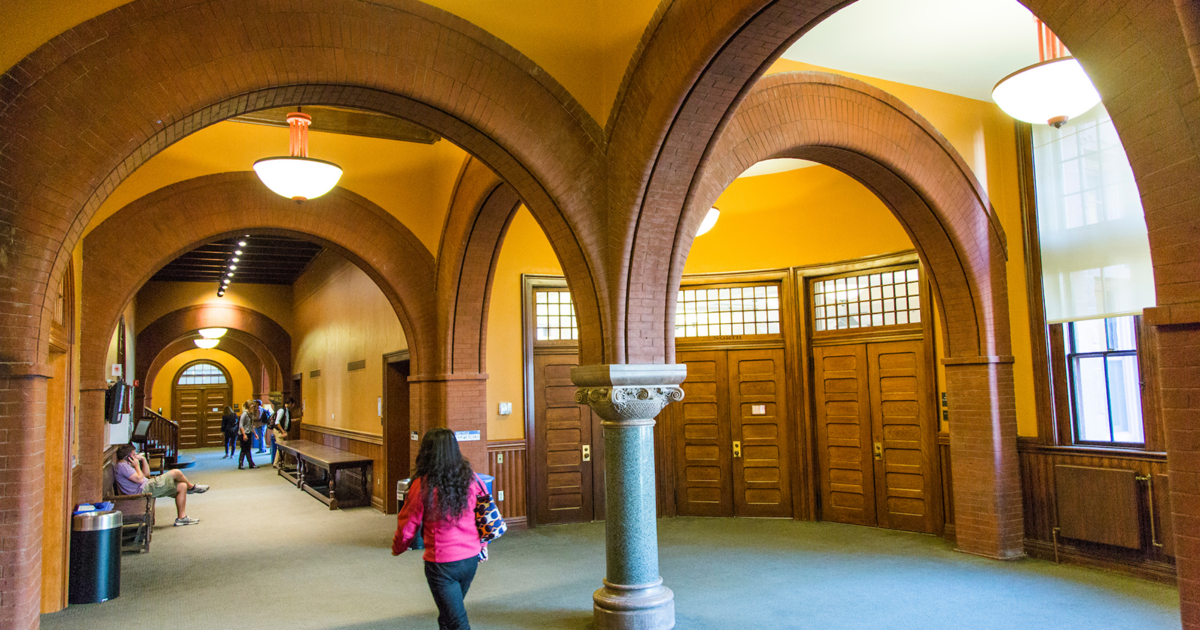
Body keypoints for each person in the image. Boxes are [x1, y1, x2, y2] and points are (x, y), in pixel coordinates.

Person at [393, 428, 489, 630]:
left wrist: (399, 547)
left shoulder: (422, 485)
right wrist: (483, 544)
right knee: (448, 616)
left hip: (442, 563)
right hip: (471, 559)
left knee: (456, 621)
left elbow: (408, 523)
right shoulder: (471, 478)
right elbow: (484, 513)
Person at [114, 444, 207, 526]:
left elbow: (146, 474)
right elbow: (139, 479)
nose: (136, 456)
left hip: (147, 485)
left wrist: (143, 459)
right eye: (134, 454)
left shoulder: (127, 464)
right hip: (143, 490)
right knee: (176, 472)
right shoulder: (122, 466)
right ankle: (192, 488)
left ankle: (181, 518)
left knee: (182, 486)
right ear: (127, 457)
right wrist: (137, 466)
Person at [271, 397, 295, 467]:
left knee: (283, 447)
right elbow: (277, 422)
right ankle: (276, 463)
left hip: (283, 431)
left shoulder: (287, 411)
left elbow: (287, 420)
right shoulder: (282, 410)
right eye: (293, 404)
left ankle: (280, 462)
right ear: (290, 403)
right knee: (280, 447)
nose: (293, 406)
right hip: (279, 431)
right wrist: (283, 431)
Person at [238, 399, 257, 470]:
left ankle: (251, 463)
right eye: (251, 404)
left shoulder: (251, 414)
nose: (253, 406)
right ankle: (241, 464)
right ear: (248, 405)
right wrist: (244, 434)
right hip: (243, 433)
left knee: (248, 449)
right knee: (244, 449)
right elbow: (241, 425)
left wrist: (255, 433)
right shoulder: (244, 414)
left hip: (249, 433)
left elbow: (251, 425)